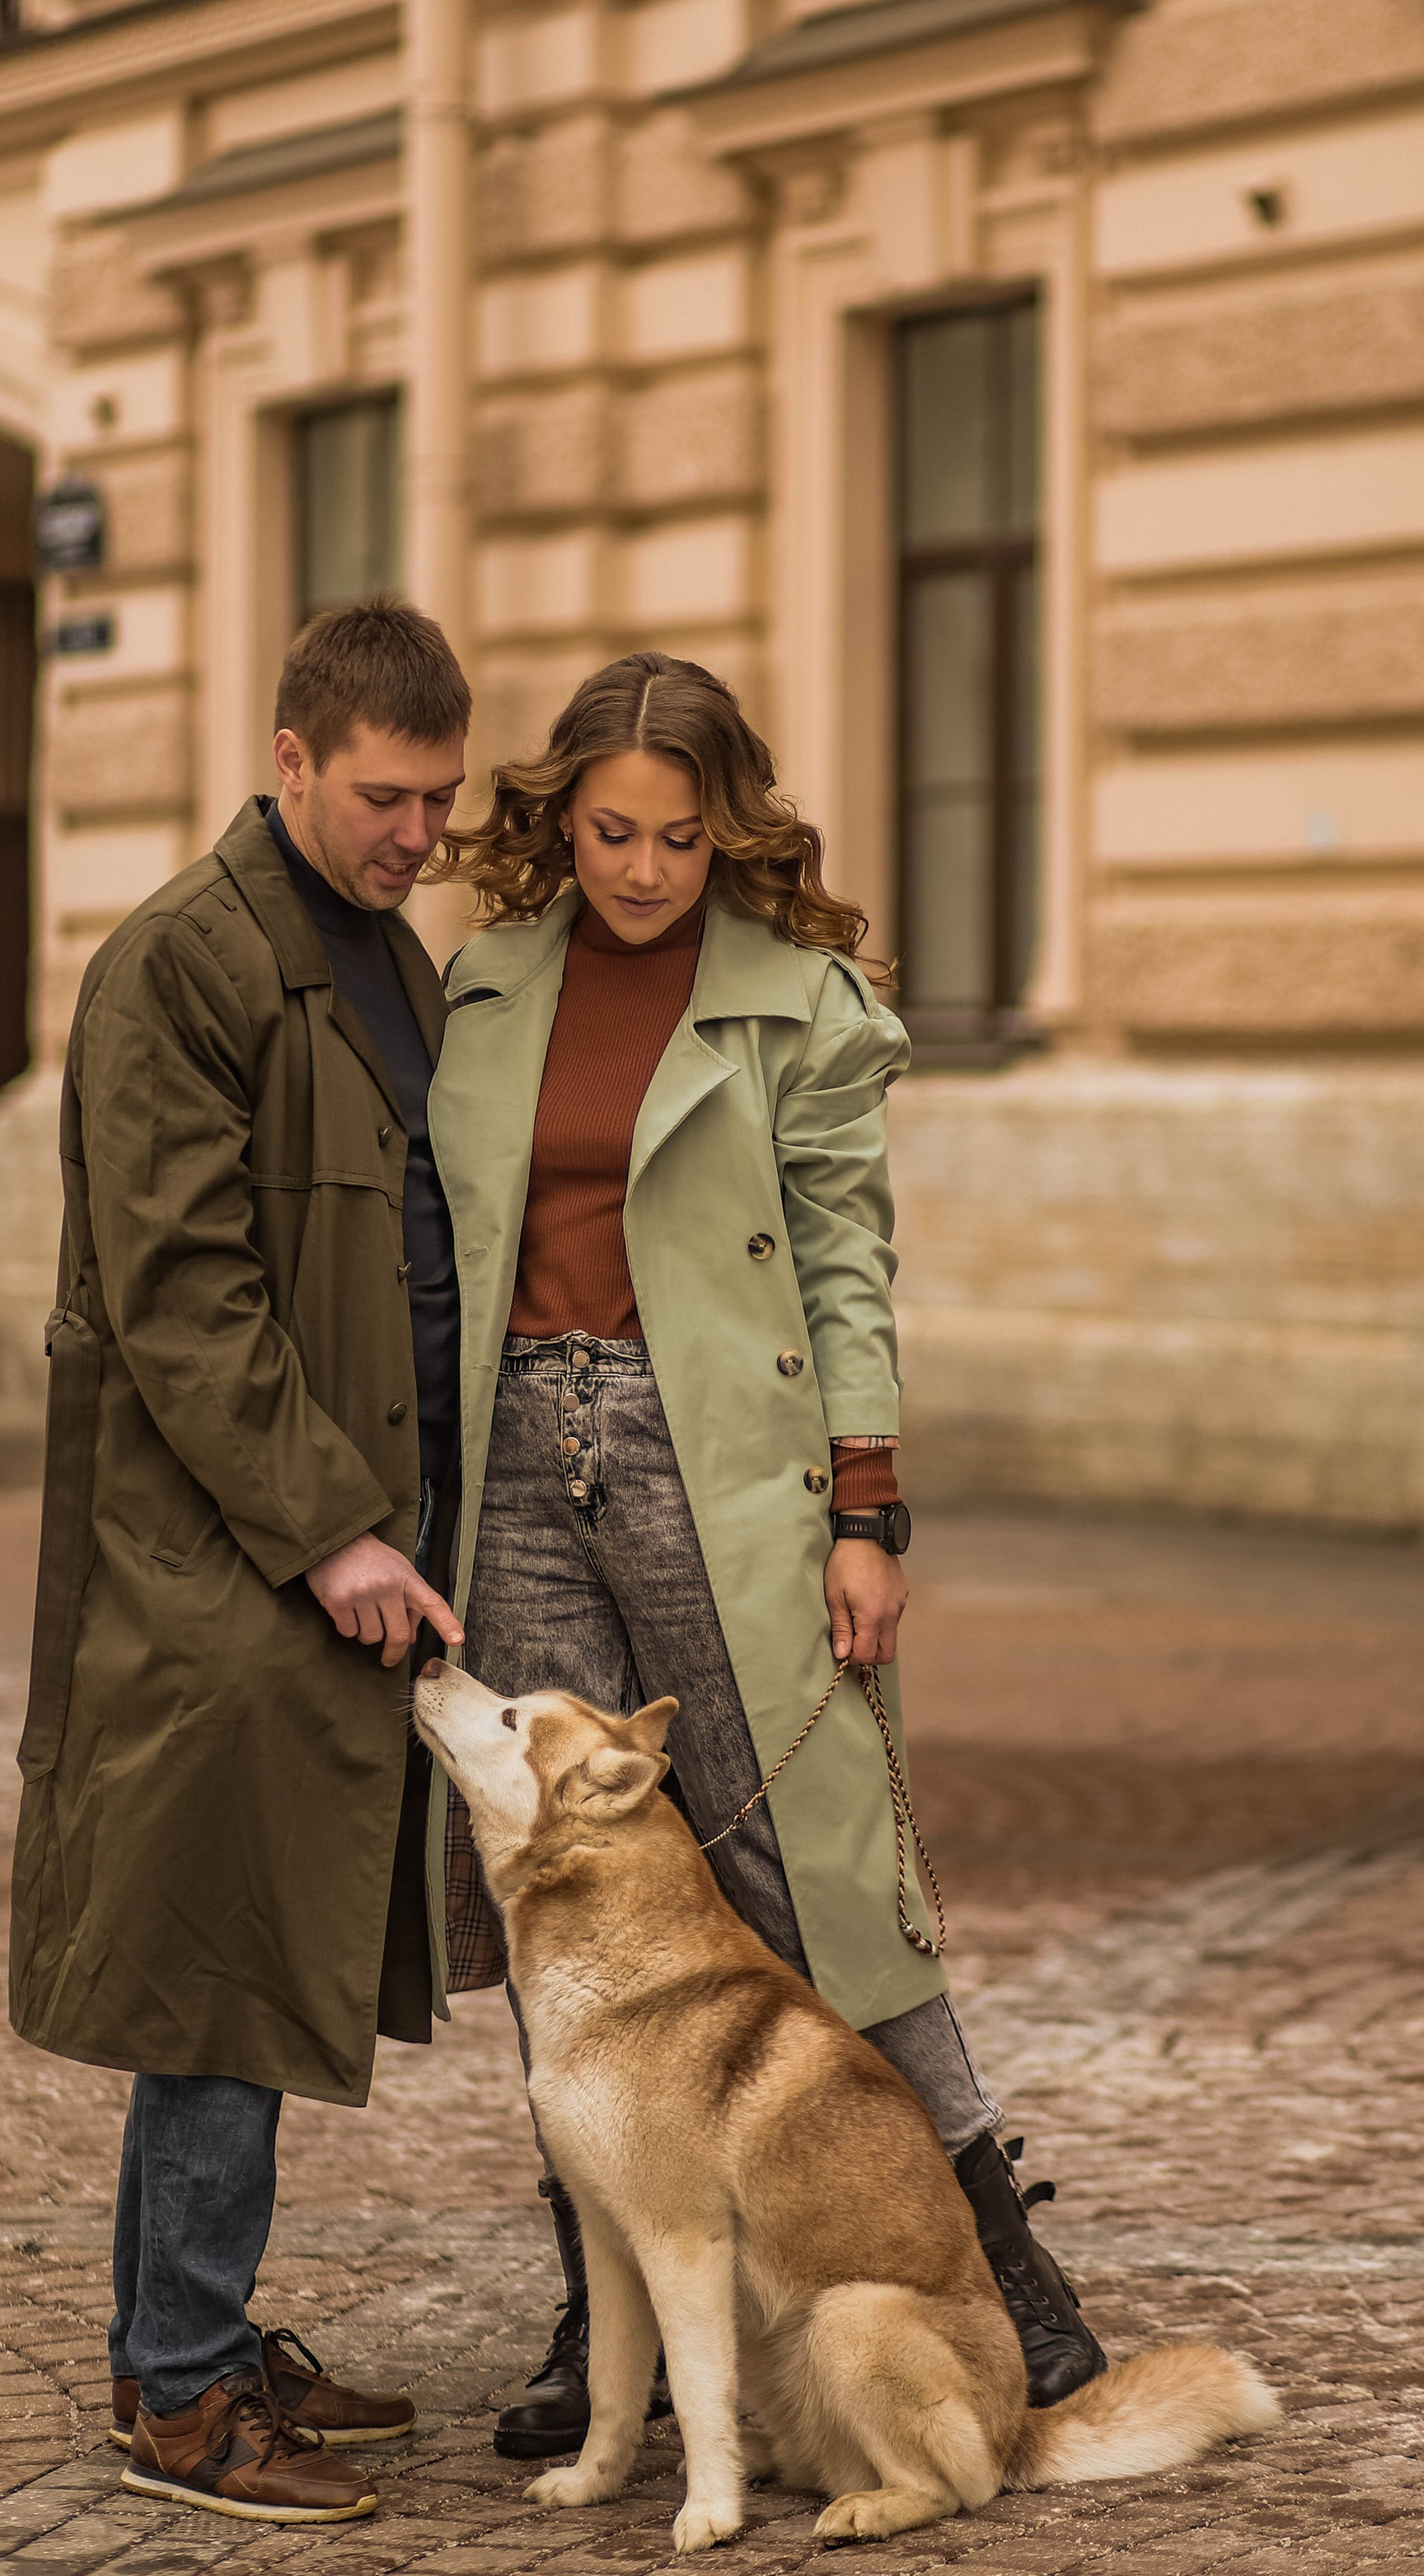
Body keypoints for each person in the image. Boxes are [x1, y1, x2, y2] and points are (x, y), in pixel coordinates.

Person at [429, 648, 1105, 2462]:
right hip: (513, 1459)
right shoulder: (482, 984)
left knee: (800, 1863)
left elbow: (845, 1263)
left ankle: (1003, 2274)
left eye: (677, 835)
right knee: (556, 1885)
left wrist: (868, 1509)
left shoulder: (795, 999)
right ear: (559, 820)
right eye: (608, 832)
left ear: (732, 832)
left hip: (711, 1453)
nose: (641, 869)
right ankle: (604, 2316)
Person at [8, 599, 472, 2524]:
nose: (417, 834)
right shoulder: (179, 969)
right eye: (384, 796)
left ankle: (179, 2341)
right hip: (218, 1570)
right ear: (289, 760)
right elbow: (186, 1301)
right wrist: (336, 1531)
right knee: (218, 1966)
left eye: (439, 800)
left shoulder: (381, 956)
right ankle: (183, 2396)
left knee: (248, 1955)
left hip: (305, 1550)